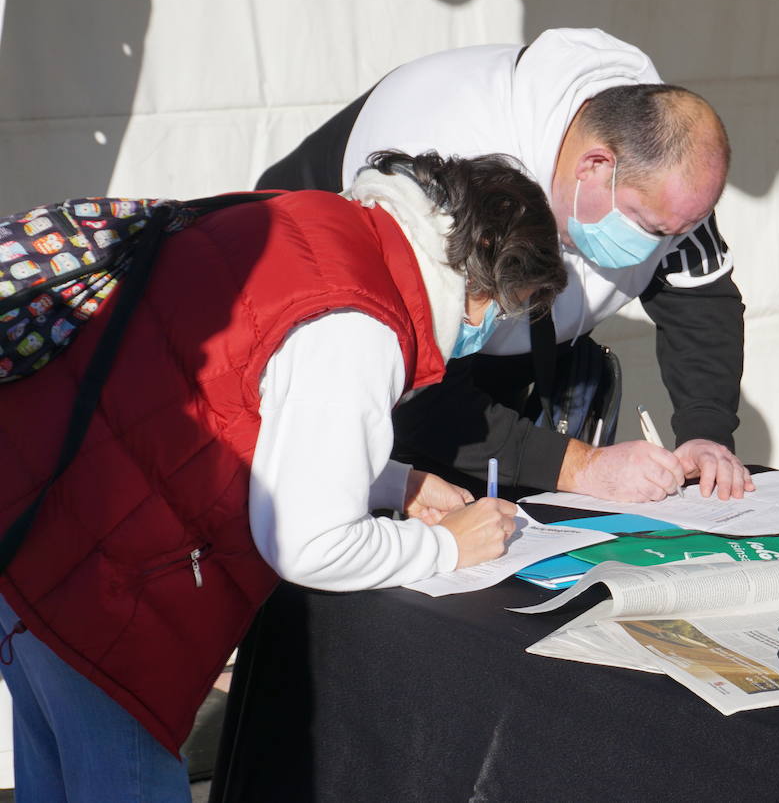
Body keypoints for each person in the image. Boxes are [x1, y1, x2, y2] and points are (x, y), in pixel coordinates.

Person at [0, 150, 568, 800]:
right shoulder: (364, 325)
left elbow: (244, 394)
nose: (494, 329)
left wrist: (393, 482)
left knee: (52, 774)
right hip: (103, 592)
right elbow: (310, 546)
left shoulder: (328, 223)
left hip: (34, 515)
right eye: (508, 306)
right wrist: (447, 546)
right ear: (481, 274)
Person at [257, 28, 754, 504]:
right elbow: (412, 390)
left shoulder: (658, 179)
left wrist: (705, 432)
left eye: (677, 231)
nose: (655, 249)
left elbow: (700, 297)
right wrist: (581, 468)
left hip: (482, 350)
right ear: (596, 166)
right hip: (326, 341)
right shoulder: (449, 164)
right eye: (647, 226)